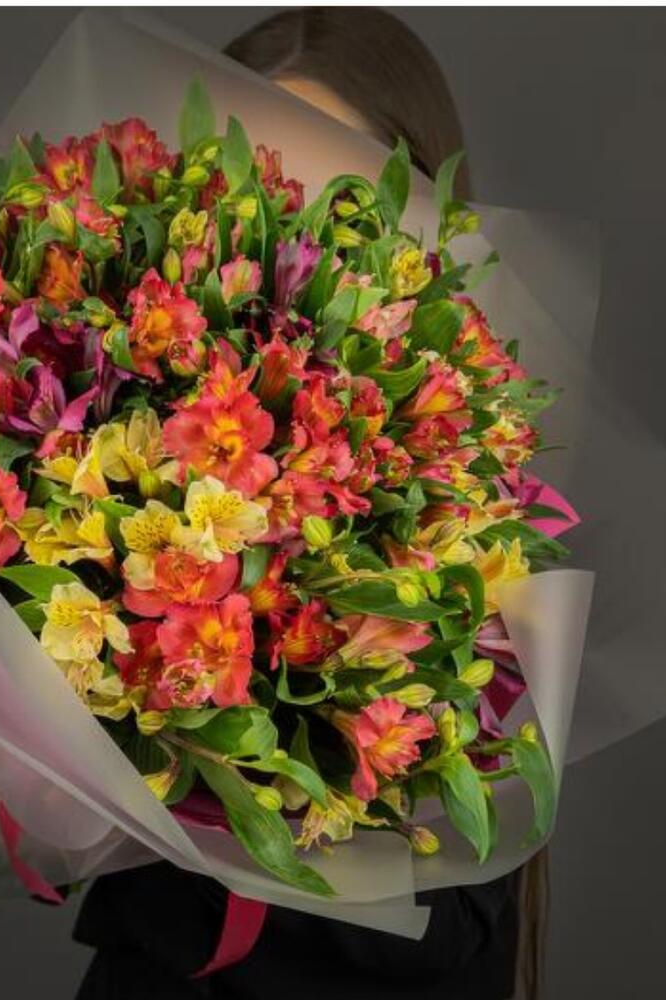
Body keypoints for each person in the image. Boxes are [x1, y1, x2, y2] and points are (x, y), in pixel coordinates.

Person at [74, 9, 546, 999]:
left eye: (343, 197)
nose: (293, 237)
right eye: (259, 186)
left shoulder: (469, 505)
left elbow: (449, 913)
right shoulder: (118, 453)